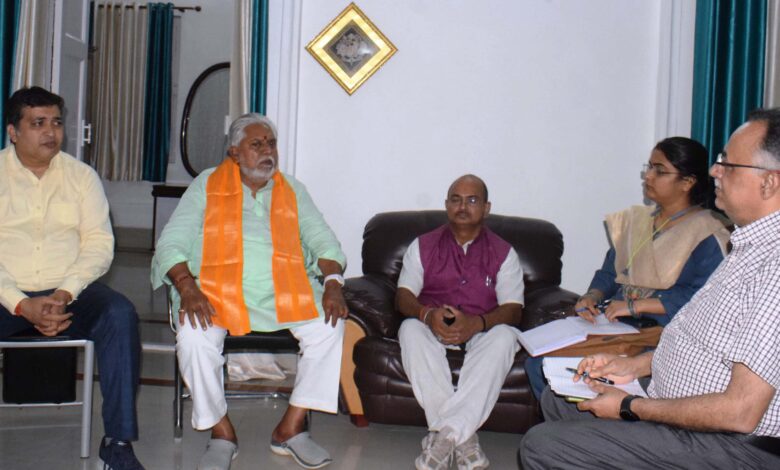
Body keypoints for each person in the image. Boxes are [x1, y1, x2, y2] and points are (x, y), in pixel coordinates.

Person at [518, 109, 780, 469]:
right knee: (560, 400)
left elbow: (741, 412)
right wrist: (633, 366)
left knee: (542, 446)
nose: (714, 171)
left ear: (769, 183)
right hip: (671, 396)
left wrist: (630, 406)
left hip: (728, 440)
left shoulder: (772, 266)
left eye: (728, 164)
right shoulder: (747, 248)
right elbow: (698, 339)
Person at [152, 113, 347, 470]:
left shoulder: (292, 189)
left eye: (271, 143)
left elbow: (324, 242)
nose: (267, 151)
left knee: (330, 326)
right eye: (256, 144)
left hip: (283, 291)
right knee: (194, 337)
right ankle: (221, 432)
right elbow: (171, 243)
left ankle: (291, 427)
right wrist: (187, 287)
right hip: (213, 292)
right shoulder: (206, 185)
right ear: (234, 153)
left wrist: (333, 283)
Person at [0, 87, 143, 470]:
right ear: (13, 131)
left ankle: (118, 443)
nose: (51, 132)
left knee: (119, 314)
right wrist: (20, 303)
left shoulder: (81, 177)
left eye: (57, 122)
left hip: (69, 293)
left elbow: (99, 244)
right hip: (4, 295)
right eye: (38, 123)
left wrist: (64, 293)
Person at [525, 137, 730, 399]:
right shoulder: (636, 222)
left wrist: (635, 306)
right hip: (614, 324)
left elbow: (701, 299)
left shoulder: (709, 232)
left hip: (660, 334)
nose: (649, 176)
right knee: (539, 363)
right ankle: (568, 423)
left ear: (687, 182)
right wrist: (592, 296)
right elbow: (610, 273)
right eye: (649, 167)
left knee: (558, 369)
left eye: (660, 170)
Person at [395, 174, 524, 470]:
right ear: (446, 205)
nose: (463, 207)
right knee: (409, 329)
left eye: (472, 200)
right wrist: (427, 315)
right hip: (432, 325)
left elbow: (513, 309)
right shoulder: (422, 246)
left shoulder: (504, 253)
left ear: (487, 208)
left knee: (506, 336)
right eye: (456, 200)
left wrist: (477, 323)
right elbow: (403, 296)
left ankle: (444, 437)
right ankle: (463, 440)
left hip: (481, 328)